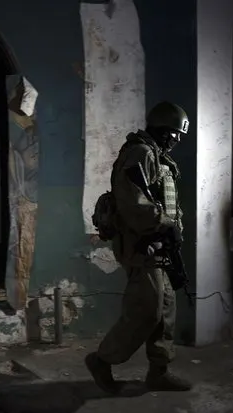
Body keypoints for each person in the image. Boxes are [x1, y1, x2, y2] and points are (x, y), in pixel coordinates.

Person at [86, 101, 192, 393]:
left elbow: (167, 202)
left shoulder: (160, 159)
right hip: (142, 246)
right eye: (176, 133)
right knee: (147, 310)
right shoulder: (140, 154)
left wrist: (173, 229)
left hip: (160, 246)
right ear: (164, 129)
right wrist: (165, 225)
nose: (178, 140)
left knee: (165, 309)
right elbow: (134, 203)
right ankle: (102, 360)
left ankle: (159, 372)